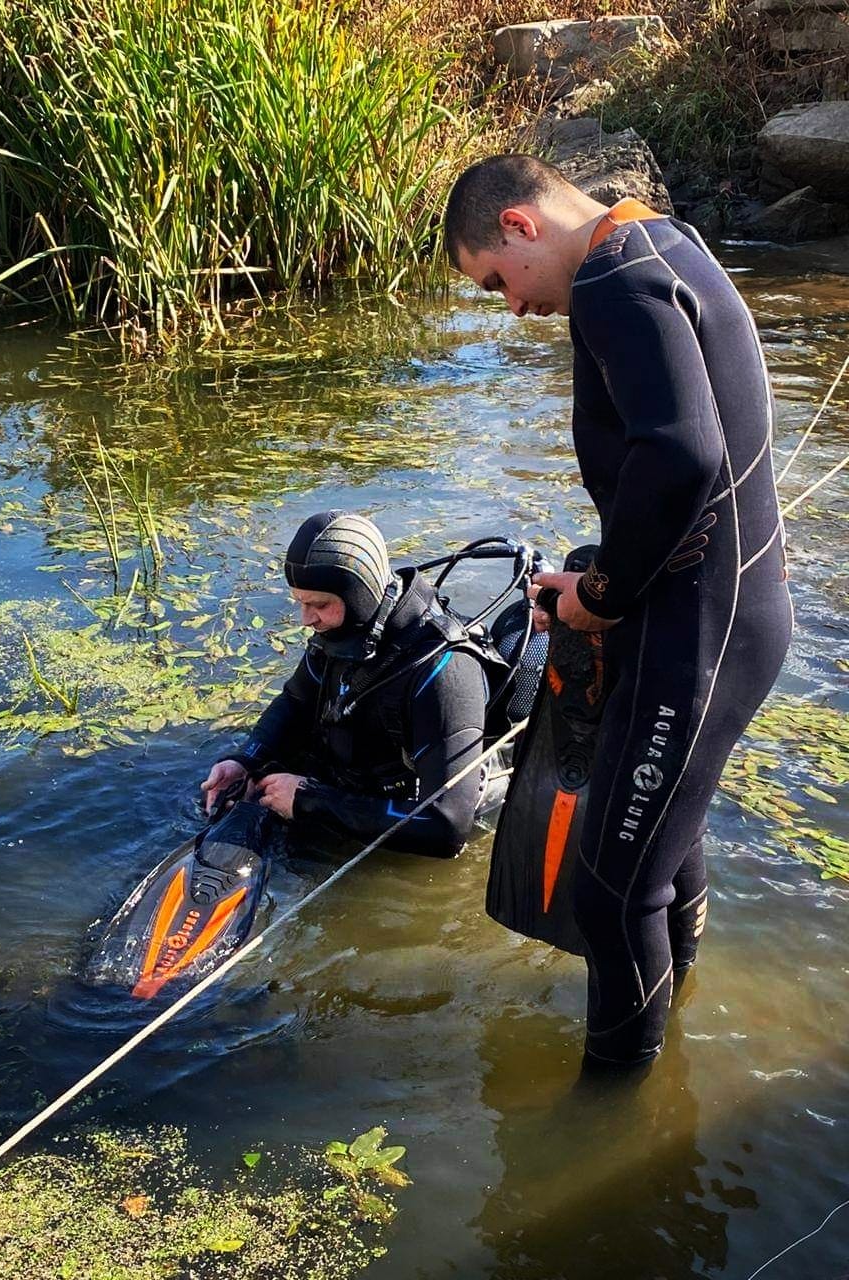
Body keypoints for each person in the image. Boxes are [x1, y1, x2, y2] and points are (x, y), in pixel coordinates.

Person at [444, 154, 792, 1068]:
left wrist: (600, 597)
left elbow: (682, 458)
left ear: (520, 225)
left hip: (702, 635)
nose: (511, 307)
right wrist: (604, 585)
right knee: (660, 858)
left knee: (608, 893)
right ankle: (668, 1041)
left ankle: (609, 1149)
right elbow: (678, 462)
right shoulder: (662, 242)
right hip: (721, 614)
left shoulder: (611, 281)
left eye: (496, 282)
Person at [200, 510, 504, 858]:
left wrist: (310, 800)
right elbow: (296, 701)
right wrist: (245, 760)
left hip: (407, 807)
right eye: (300, 602)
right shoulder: (345, 632)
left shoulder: (443, 671)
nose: (305, 619)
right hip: (349, 778)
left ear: (359, 595)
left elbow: (445, 826)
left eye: (319, 605)